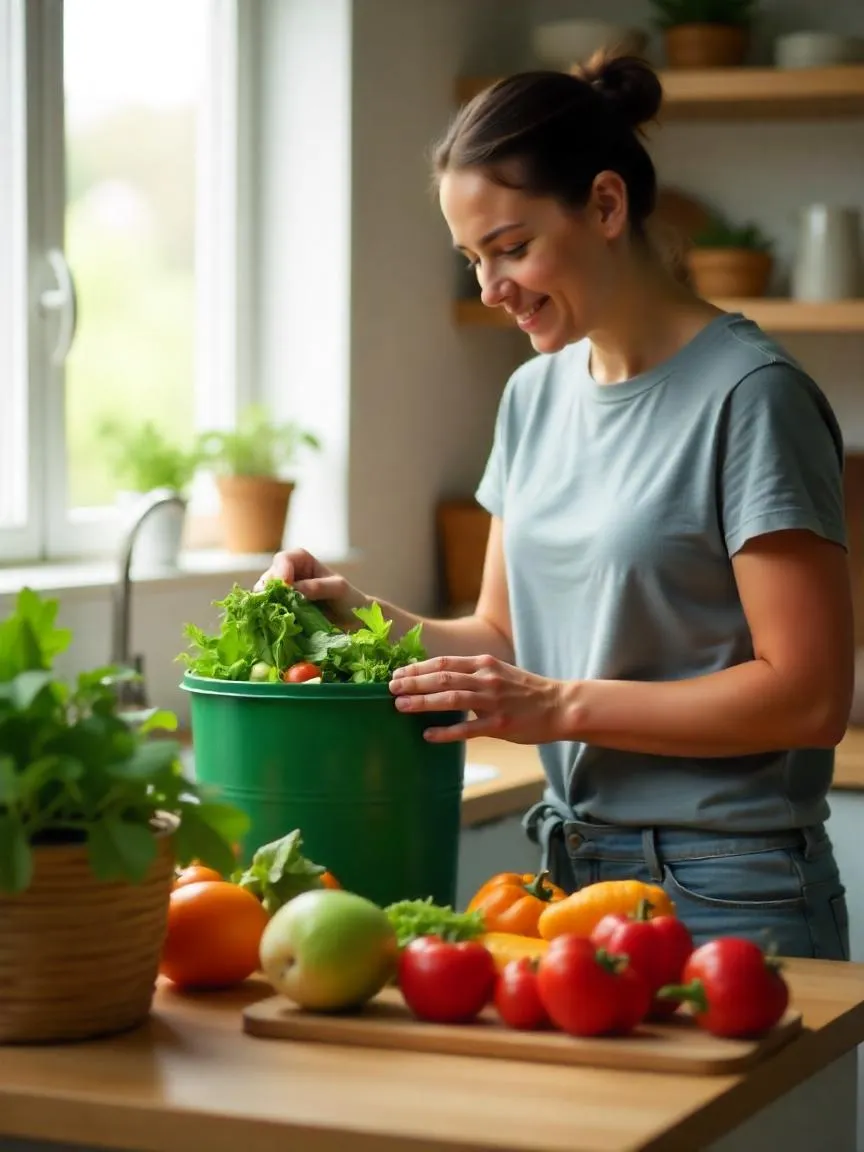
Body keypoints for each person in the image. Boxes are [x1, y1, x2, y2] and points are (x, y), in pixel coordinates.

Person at [257, 54, 854, 959]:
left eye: (511, 246)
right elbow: (503, 638)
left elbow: (808, 697)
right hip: (568, 879)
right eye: (472, 258)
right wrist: (351, 616)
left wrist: (559, 705)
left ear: (607, 207)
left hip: (730, 887)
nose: (491, 288)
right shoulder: (532, 396)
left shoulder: (752, 396)